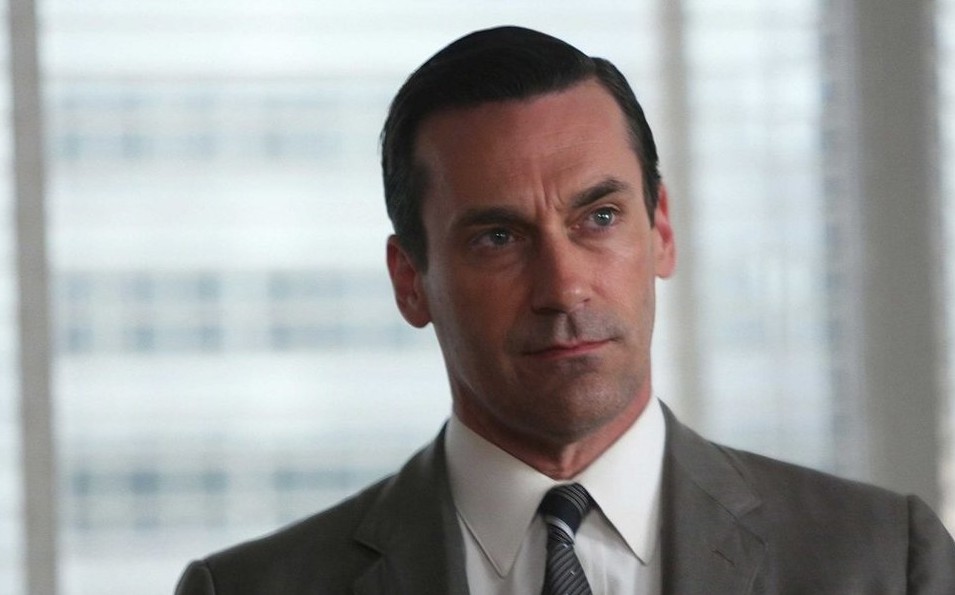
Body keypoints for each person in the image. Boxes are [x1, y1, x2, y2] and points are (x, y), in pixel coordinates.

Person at [175, 26, 955, 594]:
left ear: (661, 230)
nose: (563, 286)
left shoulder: (887, 561)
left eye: (599, 217)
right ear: (409, 281)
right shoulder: (248, 589)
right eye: (497, 237)